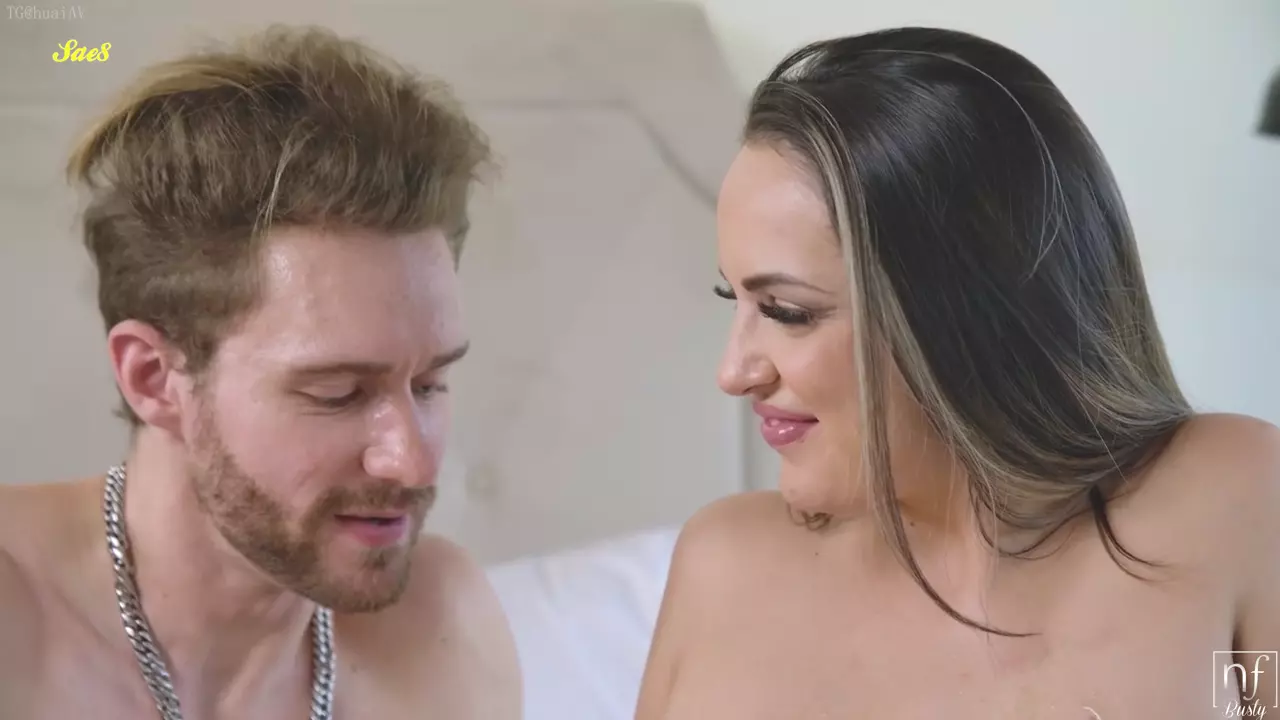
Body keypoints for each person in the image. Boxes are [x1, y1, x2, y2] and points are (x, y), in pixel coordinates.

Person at [635, 27, 1279, 719]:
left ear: (972, 309)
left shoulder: (1230, 498)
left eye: (788, 311)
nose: (734, 373)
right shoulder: (721, 567)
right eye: (733, 298)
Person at [0, 26, 521, 719]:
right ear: (154, 378)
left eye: (429, 384)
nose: (414, 461)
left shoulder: (442, 633)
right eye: (337, 394)